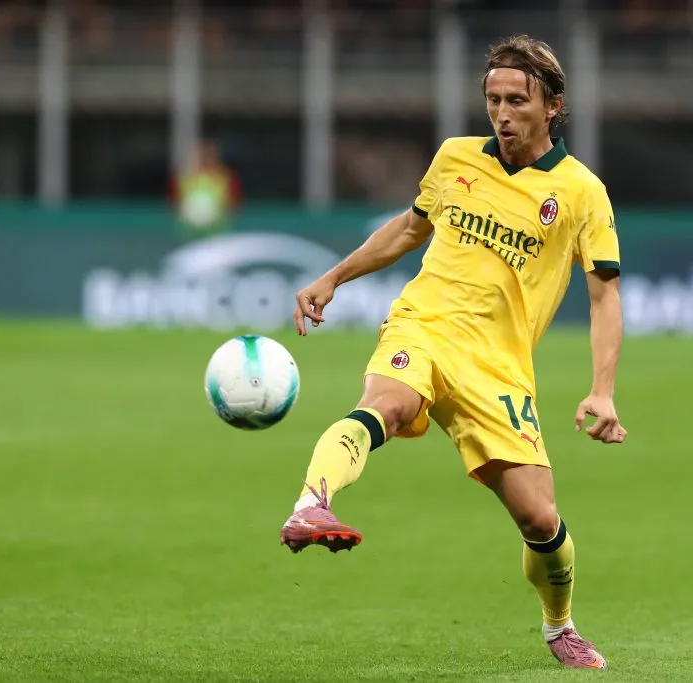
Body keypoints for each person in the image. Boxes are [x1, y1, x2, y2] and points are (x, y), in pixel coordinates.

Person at [281, 34, 626, 670]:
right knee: (384, 405)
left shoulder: (581, 192)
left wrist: (602, 389)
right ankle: (311, 504)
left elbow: (604, 298)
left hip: (498, 367)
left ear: (551, 105)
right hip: (425, 326)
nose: (502, 113)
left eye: (517, 100)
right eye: (493, 99)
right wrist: (334, 276)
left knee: (540, 521)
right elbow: (412, 229)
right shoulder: (455, 158)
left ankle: (559, 626)